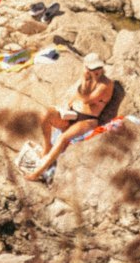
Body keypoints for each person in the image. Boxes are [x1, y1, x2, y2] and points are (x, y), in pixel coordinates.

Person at [26, 53, 114, 182]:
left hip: (88, 120)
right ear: (87, 67)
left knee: (63, 138)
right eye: (93, 69)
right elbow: (75, 98)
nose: (97, 72)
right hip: (72, 114)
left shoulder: (106, 84)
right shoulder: (88, 77)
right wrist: (66, 107)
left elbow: (87, 100)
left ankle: (38, 172)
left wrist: (85, 81)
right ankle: (47, 147)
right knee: (46, 114)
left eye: (98, 68)